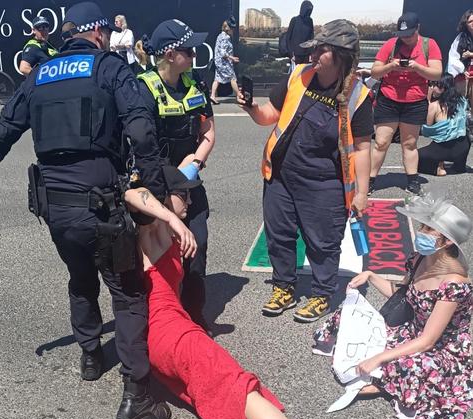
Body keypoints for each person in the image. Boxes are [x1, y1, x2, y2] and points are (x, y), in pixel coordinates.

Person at [0, 1, 171, 419]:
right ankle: (137, 396)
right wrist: (156, 197)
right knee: (127, 292)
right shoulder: (110, 68)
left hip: (55, 207)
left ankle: (91, 356)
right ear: (100, 33)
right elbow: (142, 130)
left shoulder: (39, 76)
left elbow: (1, 133)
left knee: (80, 276)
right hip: (101, 202)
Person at [123, 165, 368, 419]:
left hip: (157, 341)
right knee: (238, 384)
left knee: (208, 390)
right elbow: (129, 194)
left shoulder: (164, 232)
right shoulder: (152, 231)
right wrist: (167, 216)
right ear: (162, 200)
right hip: (174, 336)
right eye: (182, 195)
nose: (189, 200)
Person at [238, 19, 372, 323]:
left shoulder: (358, 96)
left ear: (342, 55)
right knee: (280, 235)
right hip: (281, 176)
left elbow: (363, 149)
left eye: (321, 51)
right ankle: (283, 286)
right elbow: (270, 115)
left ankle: (322, 293)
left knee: (322, 242)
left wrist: (362, 193)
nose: (313, 55)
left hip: (324, 183)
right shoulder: (299, 75)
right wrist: (250, 107)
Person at [314, 193, 473, 419]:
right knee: (347, 316)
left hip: (441, 346)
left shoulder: (454, 283)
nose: (422, 233)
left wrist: (379, 357)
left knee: (408, 364)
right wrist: (370, 275)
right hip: (411, 329)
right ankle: (382, 376)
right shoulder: (420, 257)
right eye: (423, 226)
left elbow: (429, 341)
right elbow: (402, 296)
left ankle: (382, 381)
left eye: (430, 230)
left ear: (447, 241)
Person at [139, 19, 216, 331]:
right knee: (159, 254)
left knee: (197, 243)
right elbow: (138, 149)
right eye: (189, 49)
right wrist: (170, 188)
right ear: (170, 55)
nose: (195, 54)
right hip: (155, 184)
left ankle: (194, 315)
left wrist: (193, 165)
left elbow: (209, 132)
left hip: (189, 177)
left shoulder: (195, 85)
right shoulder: (143, 88)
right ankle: (163, 319)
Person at [368, 12, 442, 196]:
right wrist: (390, 66)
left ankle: (412, 180)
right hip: (389, 98)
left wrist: (417, 67)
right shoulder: (390, 44)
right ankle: (369, 179)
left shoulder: (429, 44)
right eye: (402, 35)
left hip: (414, 100)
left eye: (409, 34)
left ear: (418, 28)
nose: (406, 39)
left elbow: (437, 74)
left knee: (409, 143)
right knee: (381, 142)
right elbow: (375, 72)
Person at [418, 75, 470, 176]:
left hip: (444, 147)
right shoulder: (462, 101)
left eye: (435, 85)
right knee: (462, 134)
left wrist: (428, 101)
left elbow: (427, 130)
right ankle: (459, 166)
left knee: (414, 156)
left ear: (443, 88)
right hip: (463, 146)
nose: (432, 88)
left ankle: (438, 167)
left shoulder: (435, 105)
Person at [447, 9, 473, 107]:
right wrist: (462, 69)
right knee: (460, 104)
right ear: (465, 24)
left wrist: (470, 54)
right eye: (470, 21)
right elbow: (453, 56)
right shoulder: (461, 38)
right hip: (464, 75)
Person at [210, 18, 239, 104]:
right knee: (233, 78)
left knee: (217, 79)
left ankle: (212, 96)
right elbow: (223, 53)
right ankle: (239, 96)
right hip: (224, 63)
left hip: (219, 62)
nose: (233, 29)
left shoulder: (220, 35)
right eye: (232, 28)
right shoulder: (225, 37)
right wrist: (232, 58)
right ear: (228, 28)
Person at [284, 1, 314, 66]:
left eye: (310, 10)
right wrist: (291, 54)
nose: (309, 12)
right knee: (296, 74)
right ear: (303, 9)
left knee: (305, 75)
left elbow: (311, 37)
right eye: (307, 10)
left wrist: (311, 53)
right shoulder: (294, 20)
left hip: (306, 55)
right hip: (295, 55)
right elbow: (288, 38)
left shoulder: (310, 21)